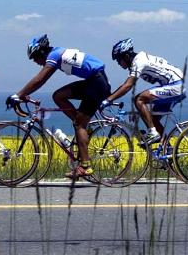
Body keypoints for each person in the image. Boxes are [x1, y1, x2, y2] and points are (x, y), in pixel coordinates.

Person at [7, 35, 111, 178]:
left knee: (79, 125)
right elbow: (40, 81)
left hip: (97, 83)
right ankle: (81, 126)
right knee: (58, 96)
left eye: (35, 57)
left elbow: (40, 79)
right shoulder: (57, 53)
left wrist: (18, 95)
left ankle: (85, 166)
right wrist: (23, 94)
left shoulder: (54, 55)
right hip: (94, 81)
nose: (35, 61)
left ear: (42, 52)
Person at [105, 38, 185, 146]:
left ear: (127, 56)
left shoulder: (139, 62)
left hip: (175, 85)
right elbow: (125, 84)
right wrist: (110, 97)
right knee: (152, 120)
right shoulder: (138, 61)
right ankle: (167, 150)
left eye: (119, 60)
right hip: (174, 85)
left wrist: (108, 100)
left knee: (139, 99)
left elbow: (128, 85)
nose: (118, 63)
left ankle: (153, 133)